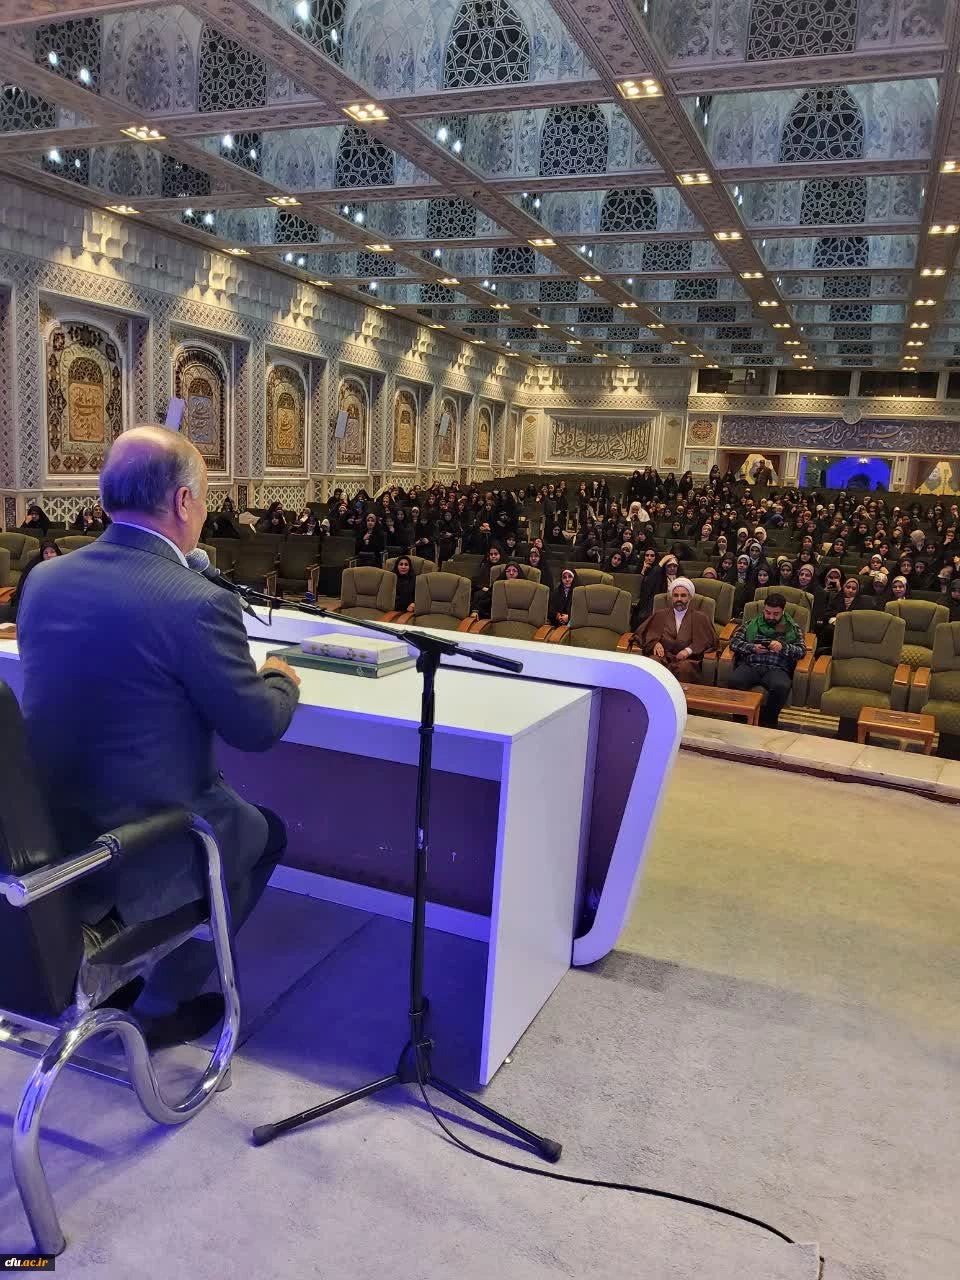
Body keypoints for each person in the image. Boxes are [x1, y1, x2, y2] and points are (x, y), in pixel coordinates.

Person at [17, 426, 301, 1050]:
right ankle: (161, 1000)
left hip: (46, 837)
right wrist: (281, 677)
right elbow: (256, 727)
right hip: (139, 842)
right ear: (183, 501)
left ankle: (122, 978)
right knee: (265, 832)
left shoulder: (44, 580)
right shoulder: (196, 602)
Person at [727, 592, 806, 728]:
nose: (771, 617)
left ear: (782, 611)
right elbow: (734, 643)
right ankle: (741, 720)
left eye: (776, 614)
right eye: (768, 613)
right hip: (752, 665)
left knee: (781, 686)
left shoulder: (792, 628)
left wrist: (783, 647)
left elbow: (801, 651)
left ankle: (767, 723)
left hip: (777, 668)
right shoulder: (751, 624)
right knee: (736, 681)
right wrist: (752, 648)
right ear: (764, 609)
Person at [628, 578, 716, 683]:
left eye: (683, 595)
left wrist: (688, 650)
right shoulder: (660, 615)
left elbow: (707, 640)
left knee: (684, 668)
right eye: (676, 595)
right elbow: (643, 633)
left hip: (688, 660)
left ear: (690, 597)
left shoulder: (700, 617)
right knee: (653, 663)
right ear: (671, 597)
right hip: (664, 657)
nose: (679, 599)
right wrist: (655, 643)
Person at [0, 540, 62, 622]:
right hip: (31, 600)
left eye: (52, 552)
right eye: (46, 553)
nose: (49, 555)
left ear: (57, 553)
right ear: (42, 555)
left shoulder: (64, 567)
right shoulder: (34, 566)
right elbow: (24, 586)